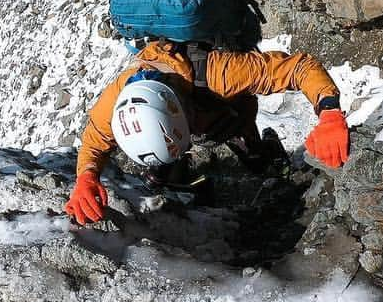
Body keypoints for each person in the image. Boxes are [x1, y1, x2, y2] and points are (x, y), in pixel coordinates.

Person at [64, 40, 350, 225]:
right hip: (188, 118)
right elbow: (94, 141)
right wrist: (87, 176)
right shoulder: (116, 102)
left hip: (228, 114)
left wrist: (329, 113)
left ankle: (264, 154)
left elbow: (298, 67)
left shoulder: (221, 75)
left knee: (255, 159)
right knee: (161, 177)